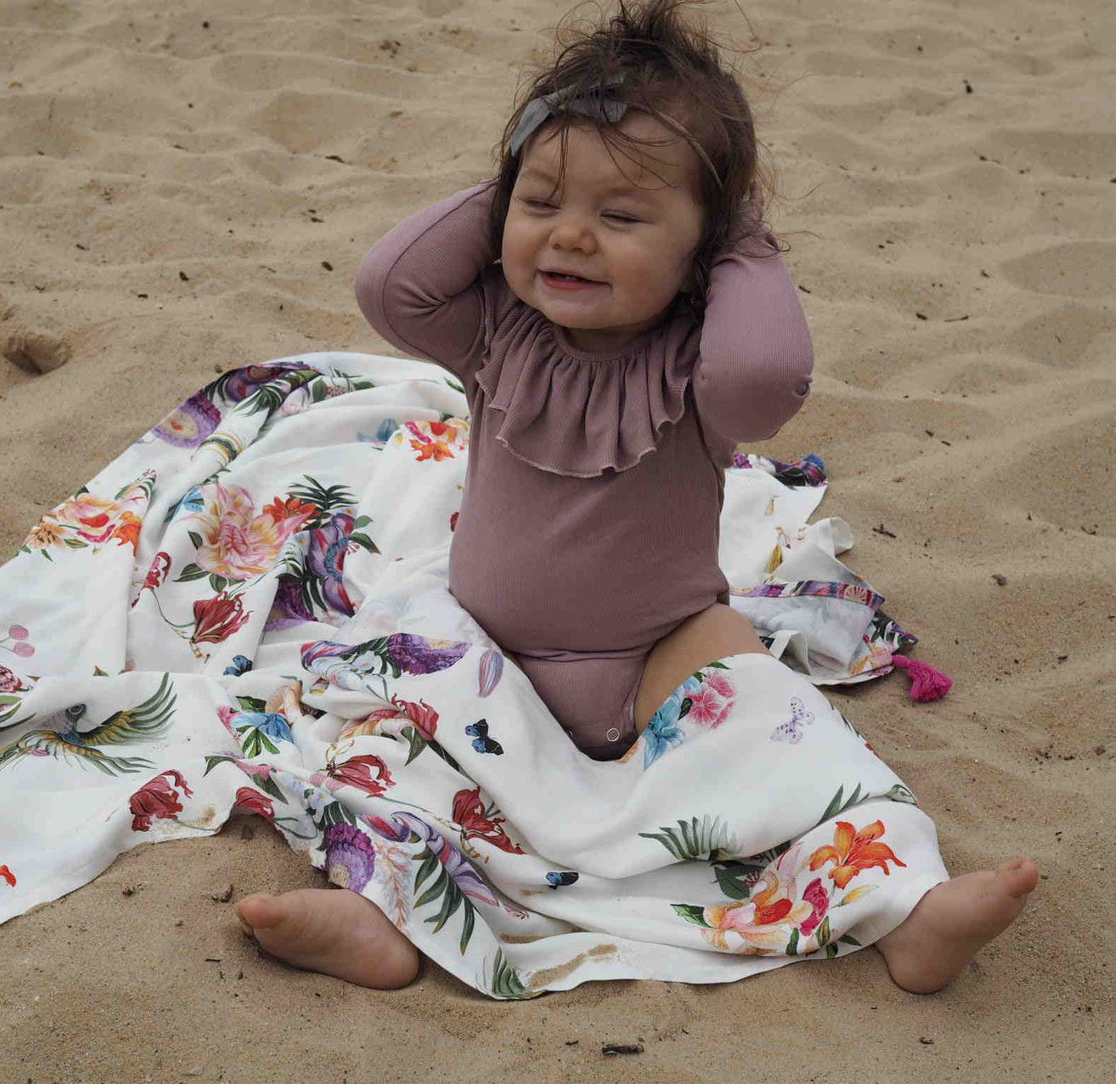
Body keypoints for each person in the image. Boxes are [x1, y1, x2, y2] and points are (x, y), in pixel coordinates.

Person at [236, 0, 1036, 993]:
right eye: (541, 204)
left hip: (663, 644)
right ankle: (377, 913)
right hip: (484, 649)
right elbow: (388, 285)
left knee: (793, 743)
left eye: (619, 217)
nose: (570, 237)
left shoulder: (699, 369)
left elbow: (766, 377)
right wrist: (516, 182)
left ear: (702, 251)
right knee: (387, 749)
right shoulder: (493, 331)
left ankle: (905, 906)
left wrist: (739, 239)